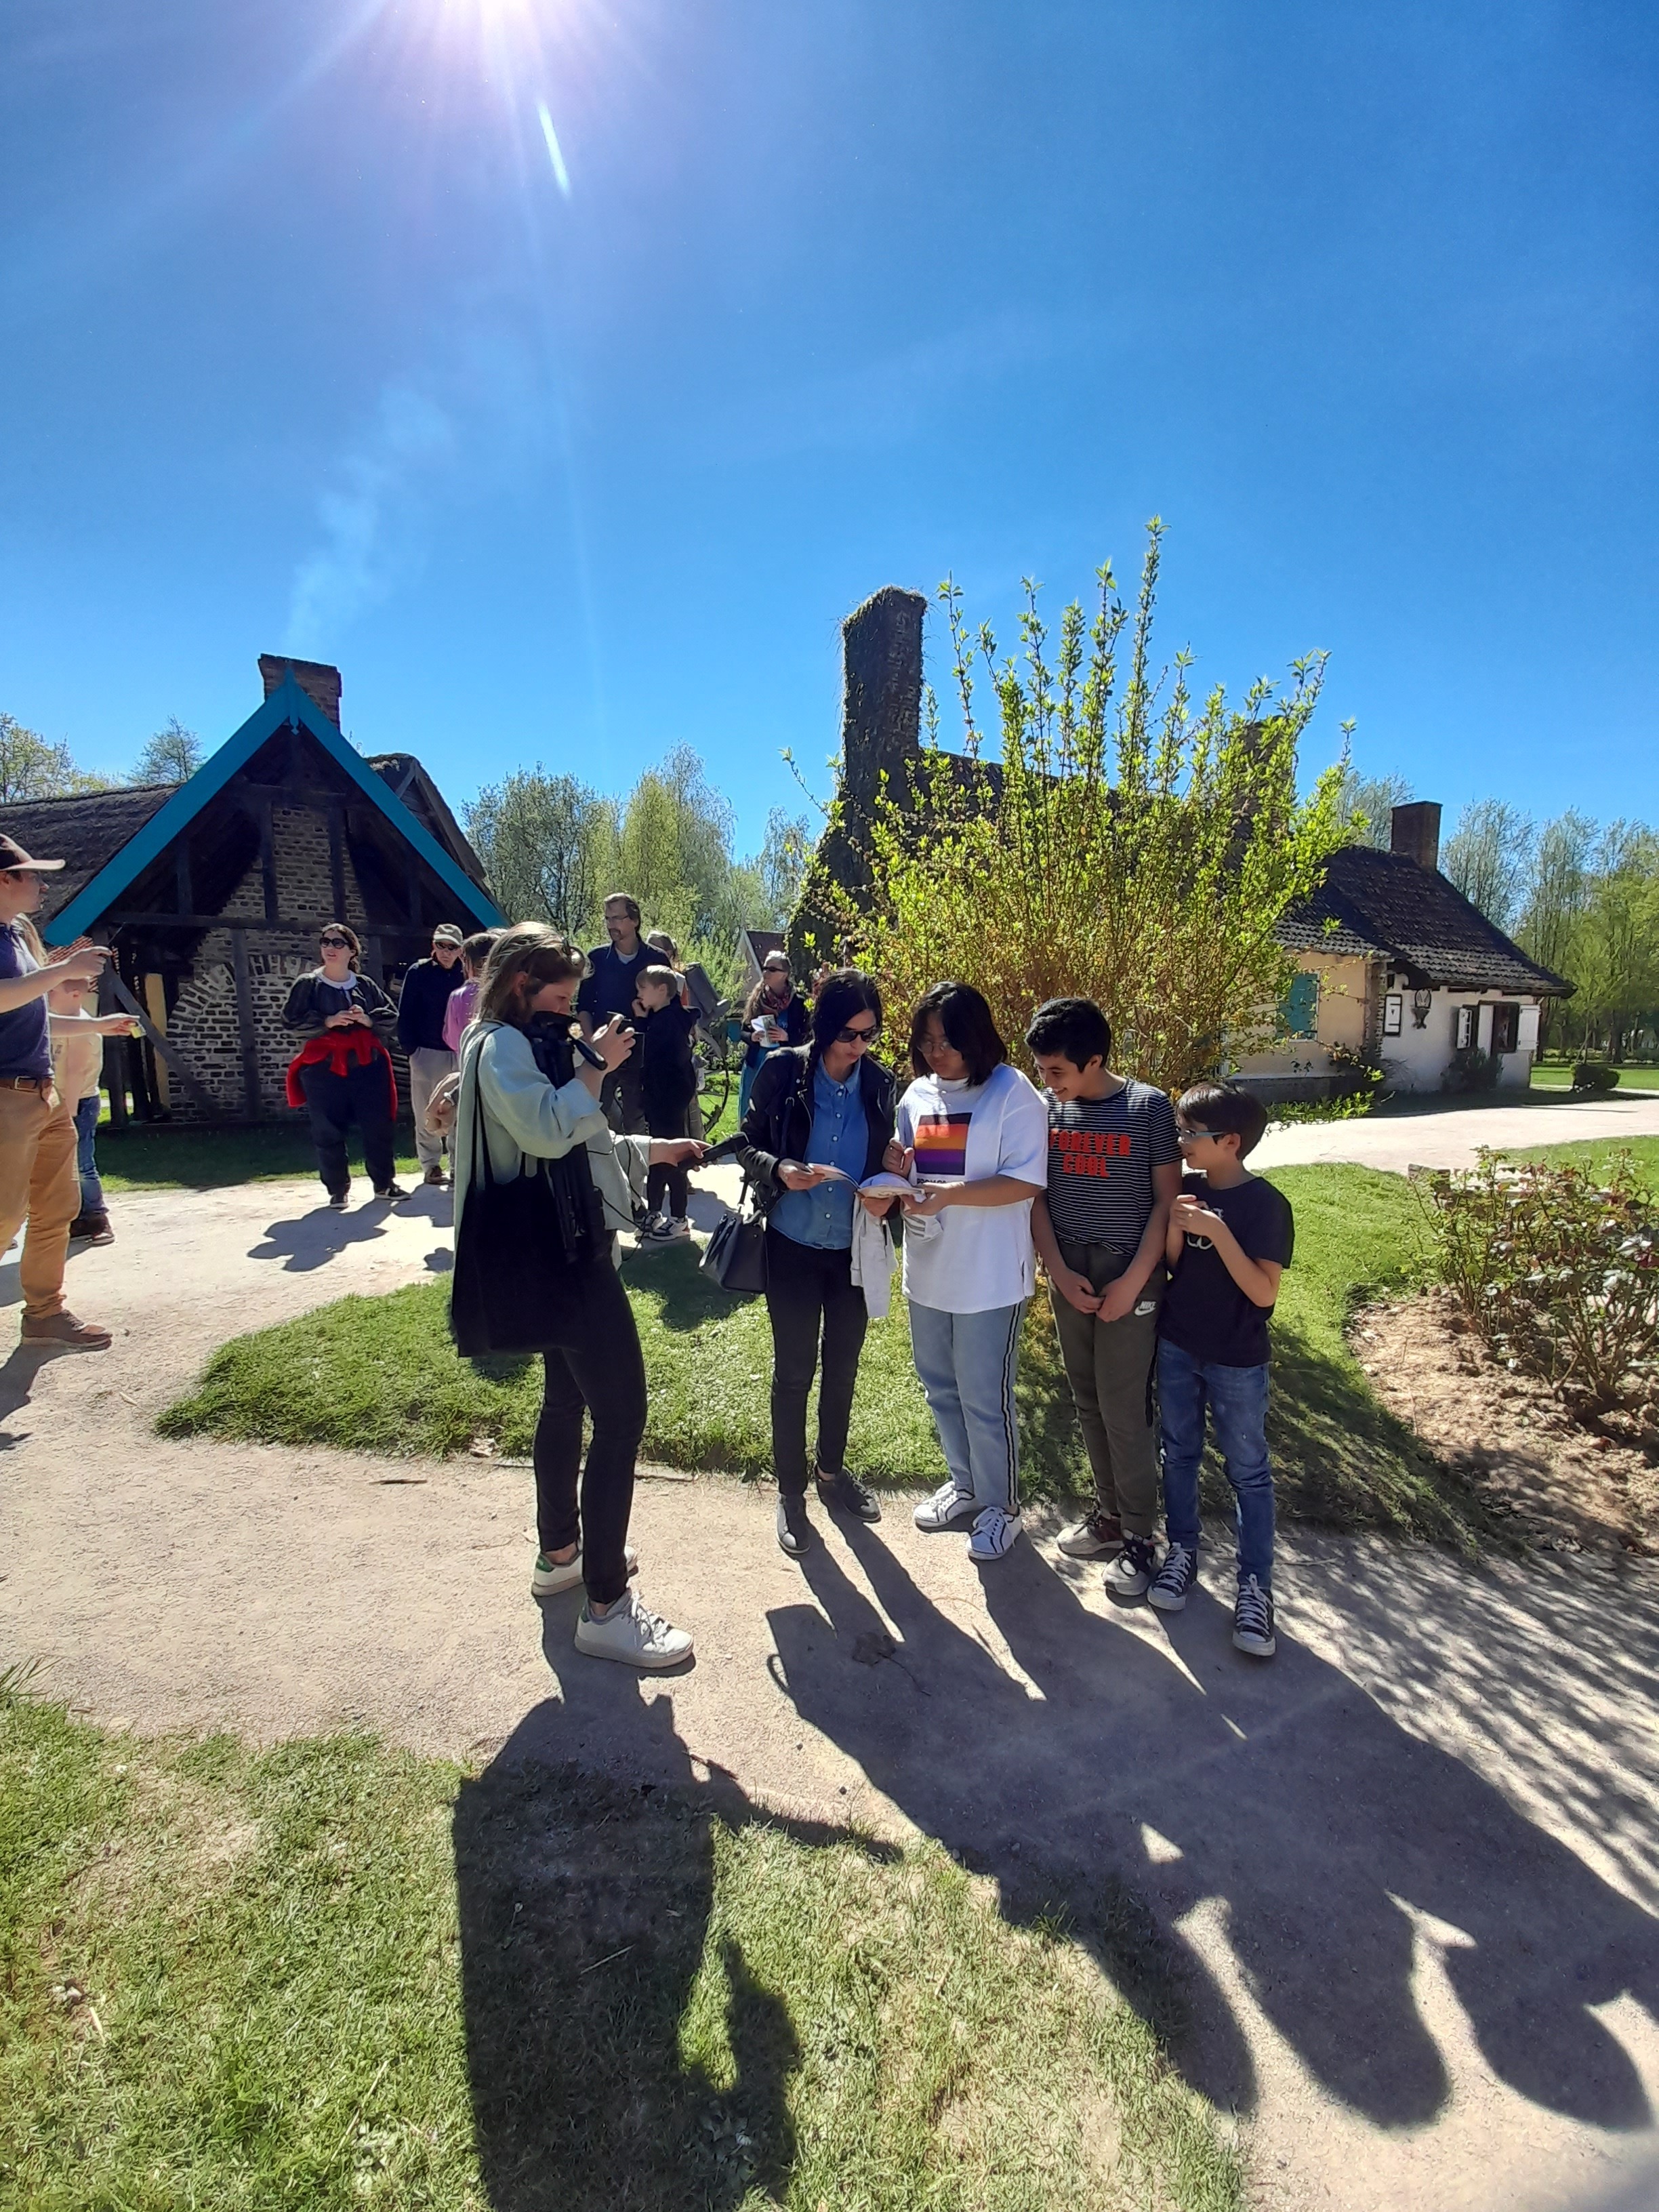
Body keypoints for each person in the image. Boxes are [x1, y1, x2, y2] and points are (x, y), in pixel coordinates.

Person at [455, 923, 701, 1668]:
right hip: (565, 1259)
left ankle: (561, 1554)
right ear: (519, 985)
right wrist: (598, 1066)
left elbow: (577, 1141)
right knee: (622, 1417)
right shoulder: (502, 1045)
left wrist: (650, 1149)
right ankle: (606, 1608)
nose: (570, 1013)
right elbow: (549, 1128)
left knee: (565, 1402)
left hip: (558, 1249)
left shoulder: (520, 1044)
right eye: (560, 999)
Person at [869, 981, 1048, 1563]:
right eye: (925, 1042)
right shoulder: (917, 1095)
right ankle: (966, 1485)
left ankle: (1002, 1507)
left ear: (976, 1037)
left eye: (947, 1041)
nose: (935, 1053)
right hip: (930, 1268)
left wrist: (953, 1196)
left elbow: (1026, 1182)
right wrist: (897, 1165)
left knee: (984, 1396)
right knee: (940, 1387)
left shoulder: (1012, 1093)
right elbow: (917, 1173)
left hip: (989, 1277)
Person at [735, 969, 894, 1557]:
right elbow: (744, 1144)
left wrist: (892, 1179)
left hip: (853, 1249)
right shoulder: (784, 1070)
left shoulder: (881, 1084)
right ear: (825, 1027)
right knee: (794, 1371)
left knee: (843, 1368)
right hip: (793, 1245)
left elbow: (886, 1162)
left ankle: (831, 1472)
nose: (859, 1046)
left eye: (869, 1034)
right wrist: (778, 1168)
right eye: (848, 1034)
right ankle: (791, 1492)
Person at [1025, 997, 1181, 1596]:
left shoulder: (1148, 1107)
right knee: (1087, 1399)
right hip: (1072, 1272)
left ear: (1094, 1061)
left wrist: (1135, 1281)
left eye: (1057, 1070)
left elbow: (1166, 1203)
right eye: (1041, 1070)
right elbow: (1037, 1197)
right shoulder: (1047, 1110)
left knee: (1124, 1406)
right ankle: (1110, 1516)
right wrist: (1058, 1272)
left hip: (1130, 1275)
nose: (1048, 1082)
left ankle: (1141, 1536)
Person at [1147, 1080, 1294, 1659]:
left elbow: (1263, 1293)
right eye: (1179, 1129)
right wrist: (1176, 1227)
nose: (1181, 1141)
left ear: (1231, 1141)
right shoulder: (1186, 1189)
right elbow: (1175, 1267)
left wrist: (1217, 1232)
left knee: (1248, 1471)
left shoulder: (1267, 1205)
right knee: (1178, 1453)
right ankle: (1182, 1552)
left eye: (1191, 1133)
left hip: (1237, 1357)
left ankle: (1255, 1587)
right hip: (1178, 1344)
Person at [0, 834, 115, 1348]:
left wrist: (96, 1025)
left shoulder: (17, 937)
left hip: (40, 1094)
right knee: (4, 1215)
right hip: (4, 1097)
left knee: (58, 1208)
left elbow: (30, 1017)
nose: (44, 886)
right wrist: (64, 971)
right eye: (34, 876)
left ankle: (45, 1313)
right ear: (5, 879)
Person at [283, 924, 406, 1209]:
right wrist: (327, 1021)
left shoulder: (364, 985)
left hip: (367, 1065)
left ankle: (384, 1183)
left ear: (352, 951)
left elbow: (391, 1016)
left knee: (378, 1126)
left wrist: (367, 1019)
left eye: (338, 943)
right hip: (325, 1068)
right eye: (325, 942)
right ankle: (337, 1189)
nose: (330, 948)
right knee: (327, 1129)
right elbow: (291, 1020)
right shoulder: (309, 984)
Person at [48, 976, 137, 1248]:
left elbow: (75, 1073)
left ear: (75, 994)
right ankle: (77, 1218)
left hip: (79, 1103)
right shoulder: (62, 1023)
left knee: (82, 1163)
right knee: (65, 1165)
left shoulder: (82, 1029)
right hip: (61, 1100)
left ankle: (97, 1218)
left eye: (53, 990)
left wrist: (69, 1114)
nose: (47, 995)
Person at [633, 964, 702, 1244]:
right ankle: (654, 1211)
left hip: (669, 1099)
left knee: (672, 1158)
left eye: (643, 988)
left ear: (662, 990)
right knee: (657, 1156)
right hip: (659, 1098)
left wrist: (642, 1026)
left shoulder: (669, 1022)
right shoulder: (661, 1019)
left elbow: (660, 1057)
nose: (638, 993)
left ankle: (679, 1218)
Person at [576, 892, 651, 1134]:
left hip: (642, 1055)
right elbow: (583, 1006)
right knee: (594, 1115)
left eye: (617, 918)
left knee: (638, 1122)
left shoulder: (656, 959)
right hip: (603, 1052)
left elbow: (667, 1009)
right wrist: (591, 1043)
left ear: (635, 920)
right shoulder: (596, 958)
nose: (611, 925)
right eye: (608, 919)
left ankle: (638, 1160)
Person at [397, 924, 466, 1187]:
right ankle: (431, 1164)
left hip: (459, 1051)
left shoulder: (465, 973)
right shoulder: (418, 972)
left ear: (460, 950)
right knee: (426, 1108)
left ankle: (458, 1165)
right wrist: (411, 1050)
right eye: (441, 946)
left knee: (460, 1109)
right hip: (427, 1050)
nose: (446, 952)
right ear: (433, 946)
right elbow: (406, 1012)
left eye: (452, 947)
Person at [737, 954, 808, 1120]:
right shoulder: (757, 999)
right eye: (765, 968)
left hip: (782, 1068)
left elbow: (806, 1038)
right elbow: (743, 1032)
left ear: (785, 974)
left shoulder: (798, 1003)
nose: (766, 973)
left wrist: (786, 1036)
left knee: (775, 1113)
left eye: (772, 969)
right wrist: (752, 1037)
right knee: (749, 1112)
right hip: (756, 1065)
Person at [442, 930, 499, 1056]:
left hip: (471, 1060)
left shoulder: (460, 996)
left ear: (477, 964)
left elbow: (452, 1040)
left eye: (466, 962)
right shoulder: (509, 990)